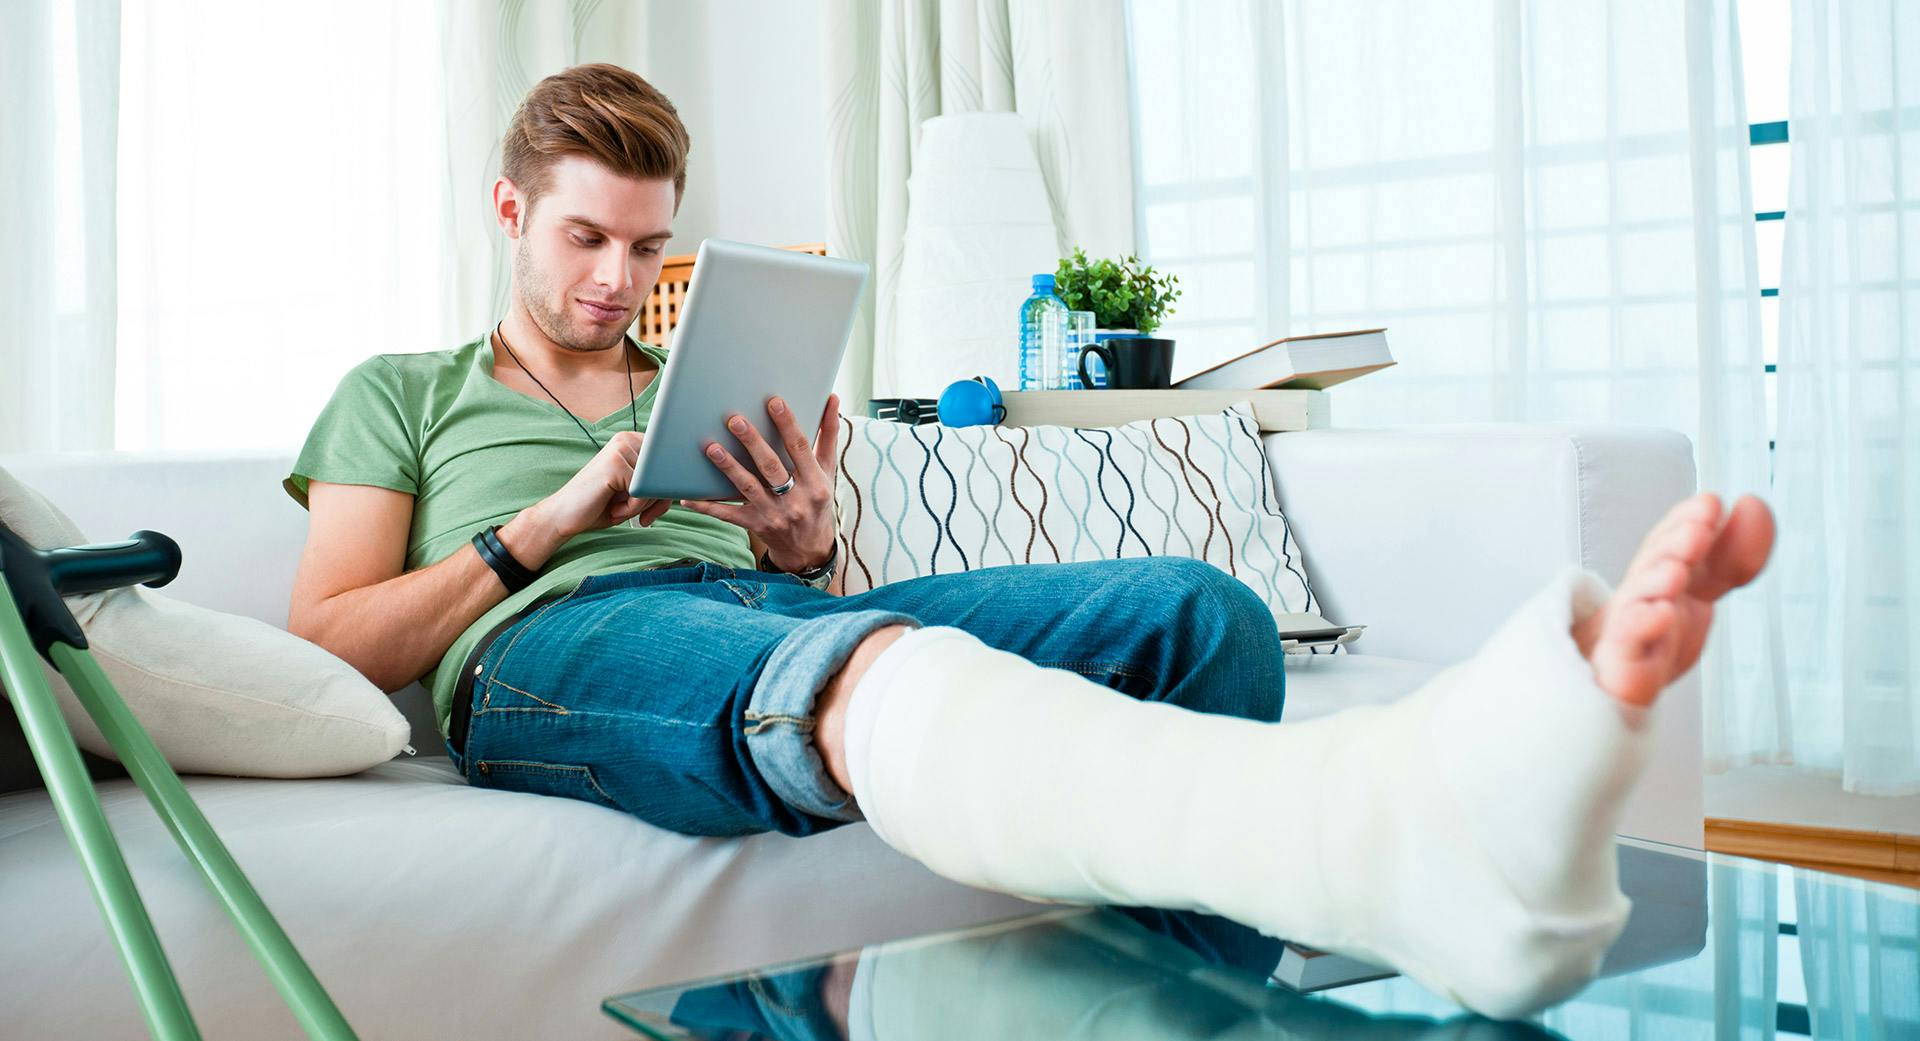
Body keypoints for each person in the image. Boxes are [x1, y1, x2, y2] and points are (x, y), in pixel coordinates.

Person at [283, 63, 1776, 1020]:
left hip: (756, 616)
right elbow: (328, 644)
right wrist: (540, 531)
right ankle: (1373, 834)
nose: (618, 278)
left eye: (647, 245)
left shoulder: (691, 384)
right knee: (840, 666)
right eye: (584, 238)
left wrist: (801, 539)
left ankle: (1172, 1001)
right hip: (550, 653)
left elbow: (798, 586)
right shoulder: (403, 394)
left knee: (1199, 615)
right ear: (509, 212)